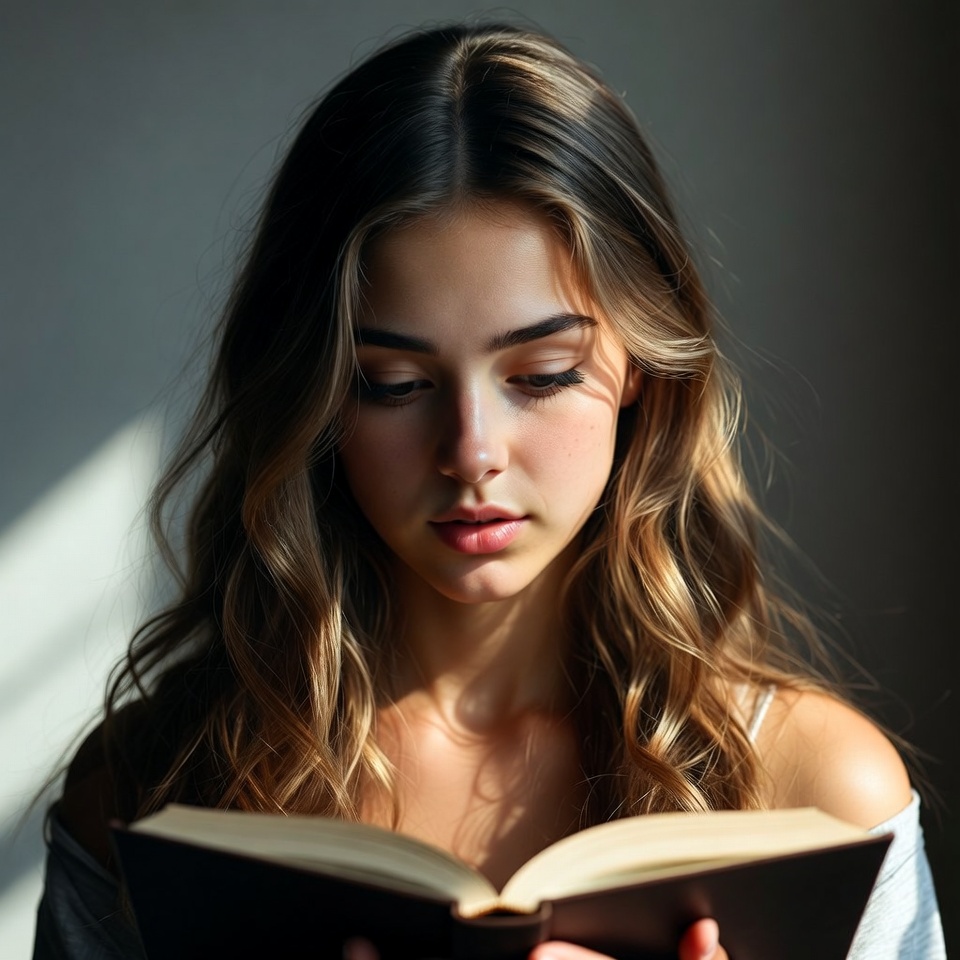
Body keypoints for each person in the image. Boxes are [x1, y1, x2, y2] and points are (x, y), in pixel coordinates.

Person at [33, 21, 945, 960]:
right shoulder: (154, 796)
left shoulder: (820, 798)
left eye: (543, 374)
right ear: (314, 394)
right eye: (393, 384)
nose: (471, 452)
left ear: (643, 368)